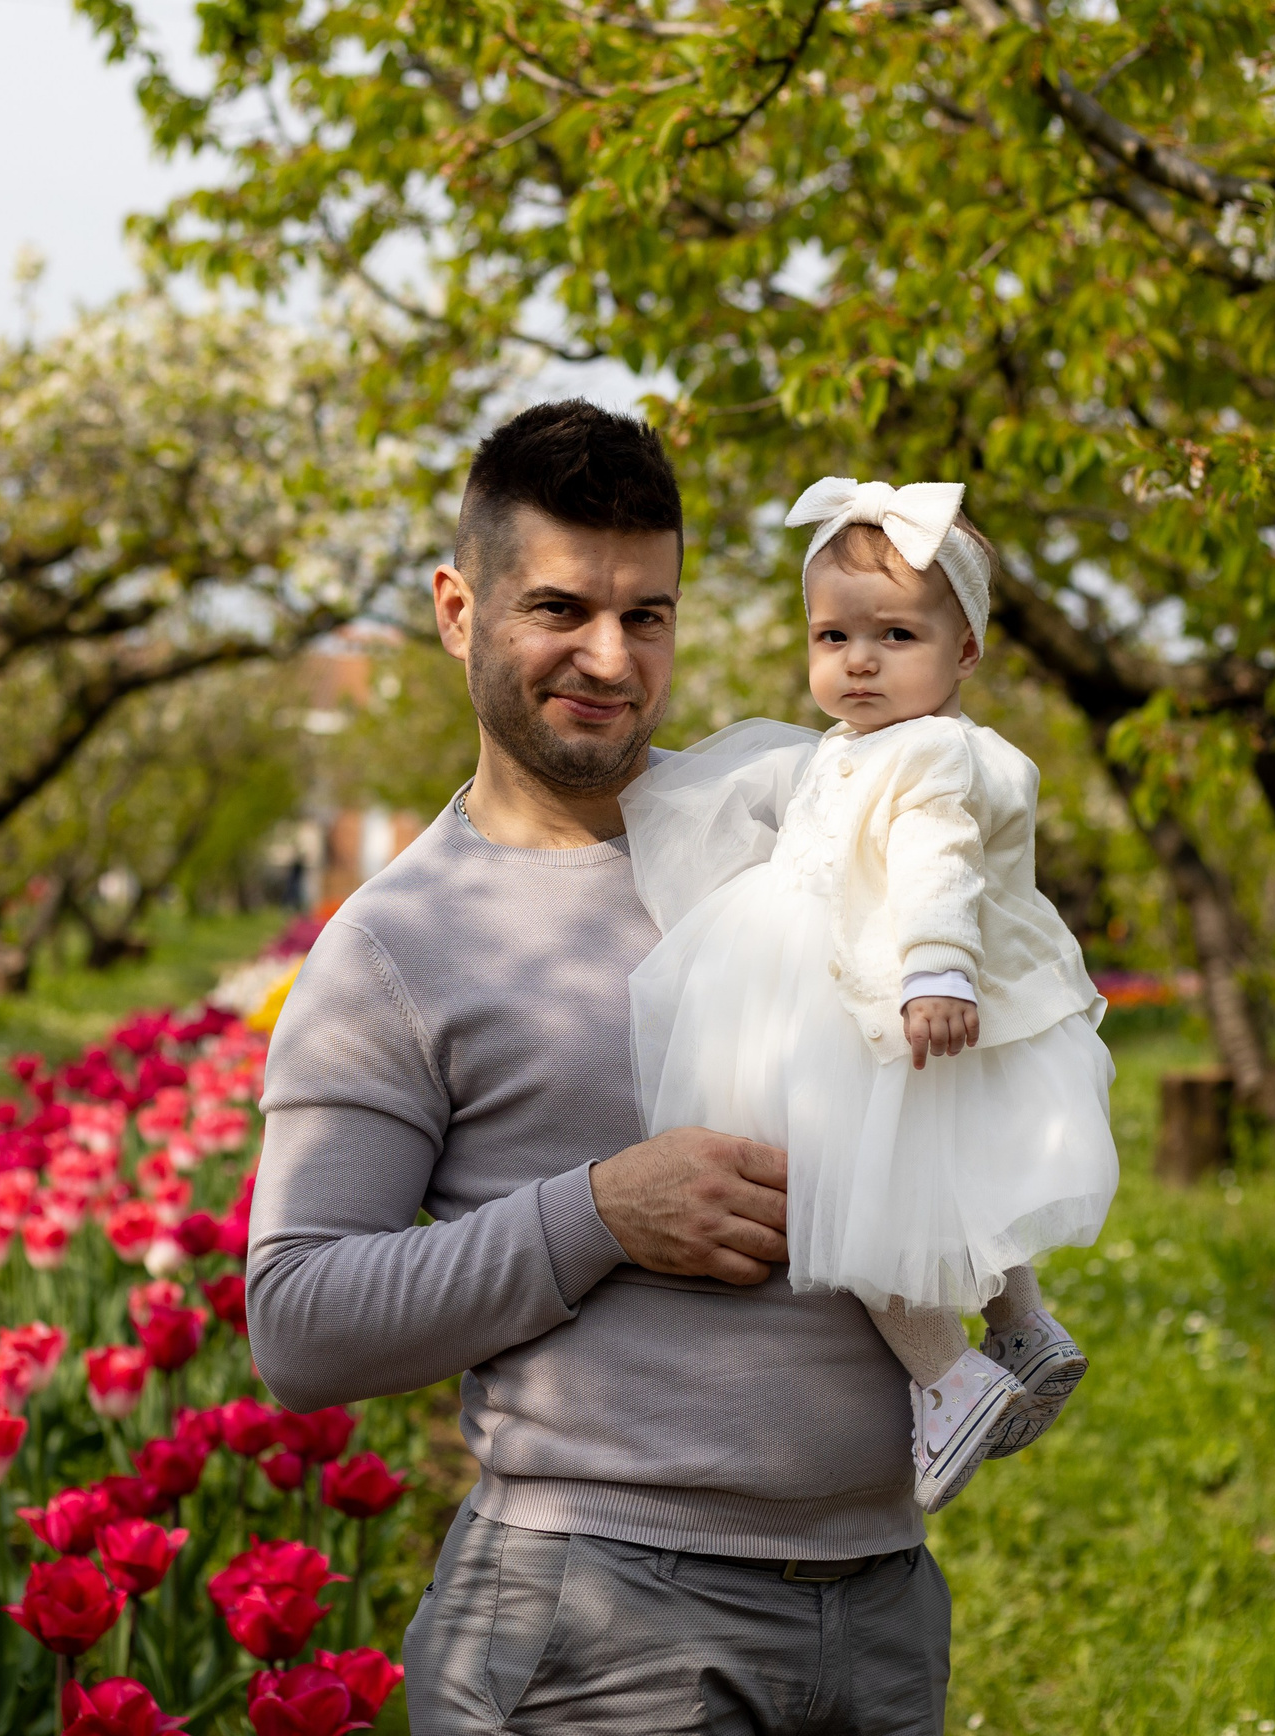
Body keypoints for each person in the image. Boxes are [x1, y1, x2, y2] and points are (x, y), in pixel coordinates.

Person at [248, 402, 950, 1735]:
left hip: (882, 1605)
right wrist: (600, 1214)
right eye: (561, 607)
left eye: (649, 616)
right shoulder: (399, 943)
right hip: (600, 1627)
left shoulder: (785, 830)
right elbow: (299, 1322)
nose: (610, 658)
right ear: (459, 609)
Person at [622, 478, 1119, 1514]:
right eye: (833, 634)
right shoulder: (850, 750)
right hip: (857, 990)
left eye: (895, 634)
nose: (858, 659)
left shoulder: (931, 750)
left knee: (849, 1196)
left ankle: (949, 1380)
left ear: (965, 652)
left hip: (884, 996)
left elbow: (938, 859)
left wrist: (936, 965)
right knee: (943, 1183)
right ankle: (1022, 1324)